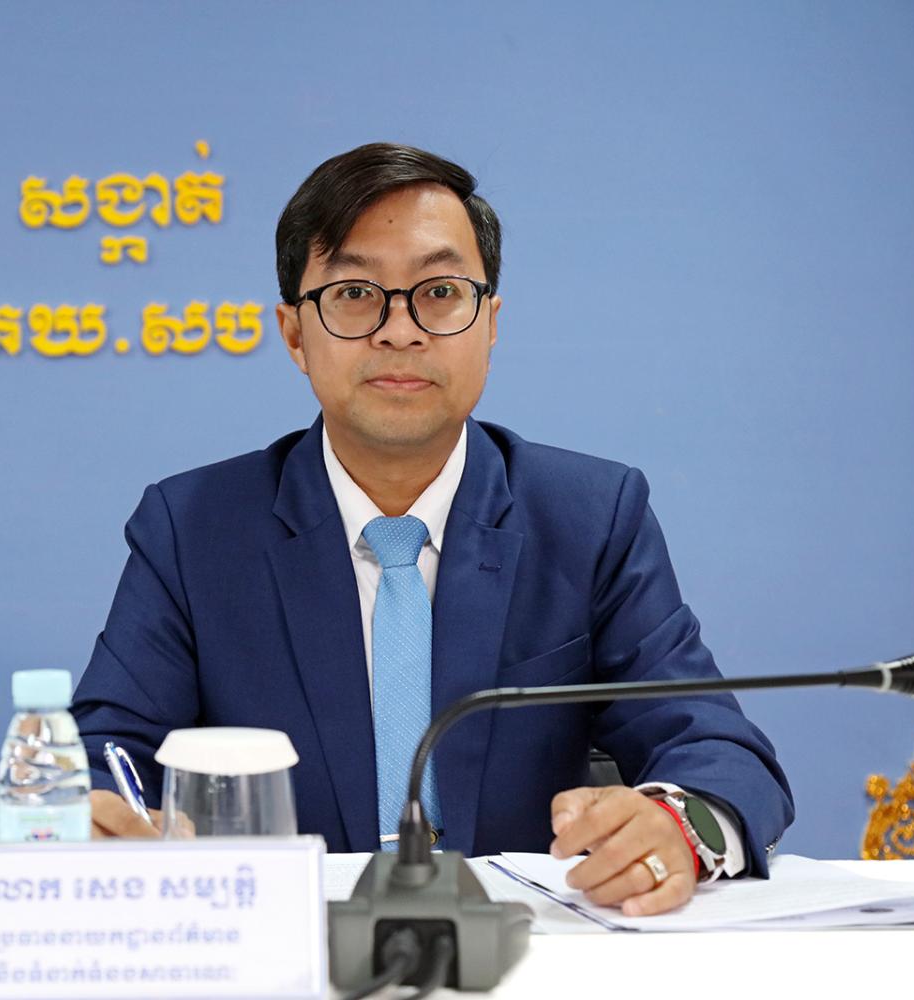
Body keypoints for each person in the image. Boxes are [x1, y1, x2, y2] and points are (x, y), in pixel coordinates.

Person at [72, 143, 792, 917]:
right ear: (293, 334)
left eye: (440, 292)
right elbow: (106, 755)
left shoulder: (589, 518)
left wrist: (678, 827)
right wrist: (99, 820)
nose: (399, 330)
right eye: (354, 293)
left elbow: (717, 750)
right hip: (288, 946)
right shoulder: (194, 531)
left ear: (490, 324)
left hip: (529, 952)